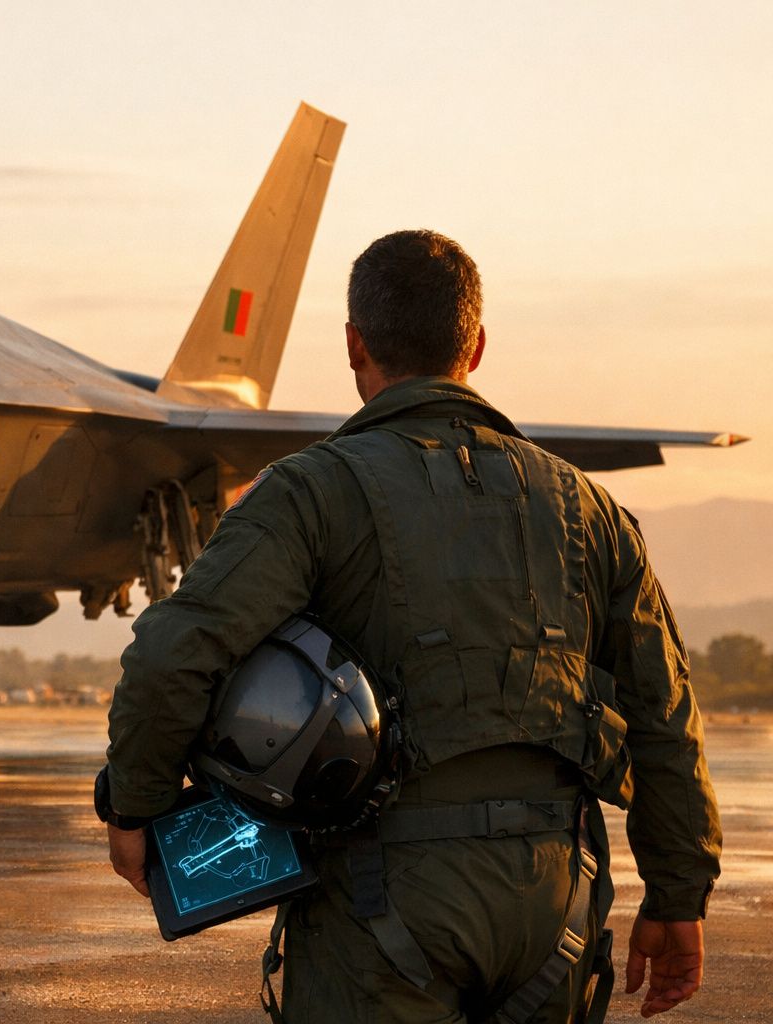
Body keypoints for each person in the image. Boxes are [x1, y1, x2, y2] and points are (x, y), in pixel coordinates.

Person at [102, 230, 721, 1022]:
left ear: (355, 345)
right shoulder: (589, 508)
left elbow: (174, 653)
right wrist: (678, 893)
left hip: (380, 905)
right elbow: (667, 715)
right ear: (478, 346)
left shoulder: (310, 491)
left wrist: (137, 807)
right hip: (553, 904)